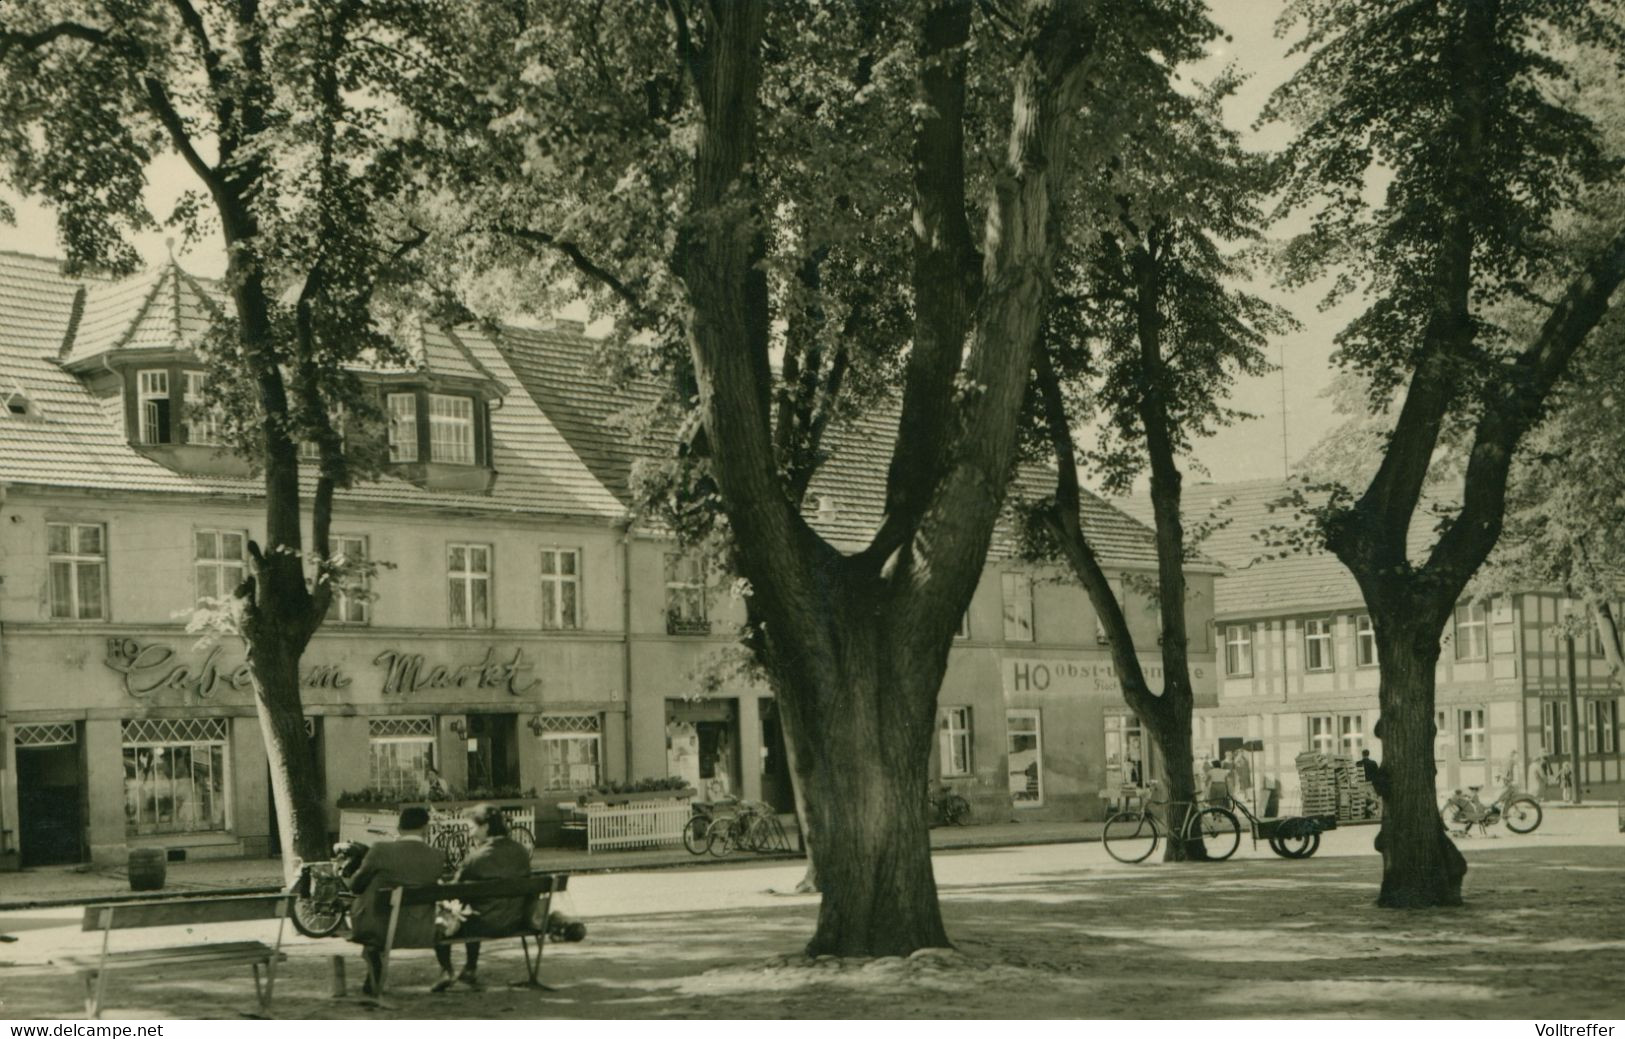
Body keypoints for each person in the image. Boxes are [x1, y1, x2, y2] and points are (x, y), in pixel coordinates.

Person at [348, 806, 445, 996]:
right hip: (421, 930)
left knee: (370, 896)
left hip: (377, 931)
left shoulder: (380, 850)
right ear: (426, 829)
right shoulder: (437, 856)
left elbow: (355, 886)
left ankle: (374, 967)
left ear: (399, 828)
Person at [433, 804, 530, 992]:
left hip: (482, 924)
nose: (470, 834)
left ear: (485, 827)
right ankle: (469, 969)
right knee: (474, 908)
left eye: (472, 828)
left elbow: (452, 891)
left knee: (444, 919)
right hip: (517, 921)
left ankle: (447, 970)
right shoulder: (521, 852)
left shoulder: (476, 858)